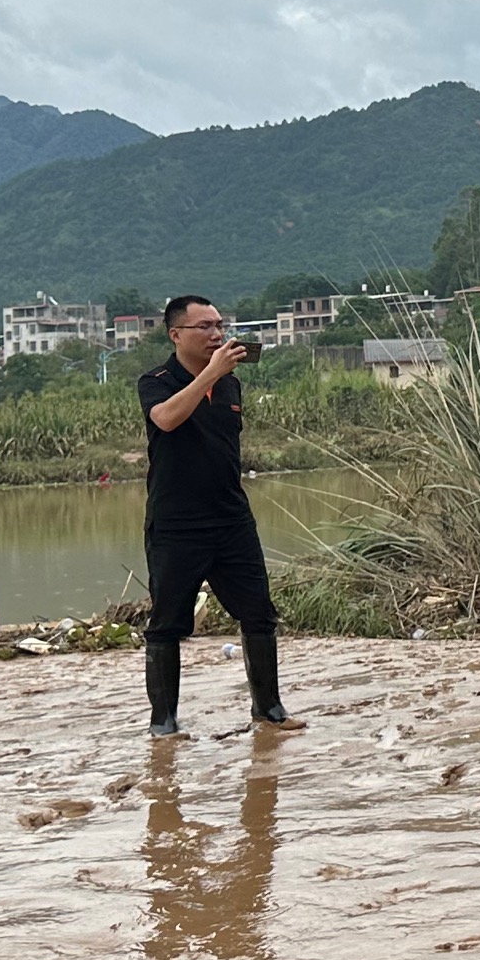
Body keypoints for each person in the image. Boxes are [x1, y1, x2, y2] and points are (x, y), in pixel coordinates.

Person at [137, 295, 303, 738]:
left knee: (259, 615)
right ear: (176, 335)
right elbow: (167, 420)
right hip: (176, 524)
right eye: (205, 328)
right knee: (167, 624)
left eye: (220, 326)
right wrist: (210, 373)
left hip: (231, 519)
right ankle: (163, 723)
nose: (217, 335)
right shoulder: (155, 381)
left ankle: (269, 710)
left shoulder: (230, 385)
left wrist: (217, 376)